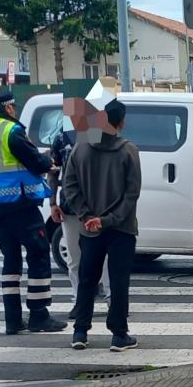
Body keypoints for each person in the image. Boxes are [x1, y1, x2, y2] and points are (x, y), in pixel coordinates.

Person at [0, 91, 67, 335]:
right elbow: (34, 160)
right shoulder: (9, 130)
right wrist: (49, 163)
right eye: (13, 106)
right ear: (8, 107)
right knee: (38, 251)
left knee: (11, 260)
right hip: (19, 204)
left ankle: (12, 320)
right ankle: (39, 315)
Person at [62, 99, 142, 352]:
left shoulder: (80, 148)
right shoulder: (128, 150)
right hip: (122, 229)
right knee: (118, 280)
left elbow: (70, 186)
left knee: (87, 279)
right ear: (122, 122)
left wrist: (87, 216)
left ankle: (80, 331)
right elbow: (132, 194)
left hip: (89, 229)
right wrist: (108, 219)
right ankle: (119, 334)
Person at [48, 125, 108, 319]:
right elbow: (53, 170)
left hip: (98, 206)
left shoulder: (100, 134)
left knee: (105, 256)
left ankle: (112, 301)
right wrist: (52, 203)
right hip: (70, 206)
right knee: (74, 258)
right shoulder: (62, 139)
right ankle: (78, 302)